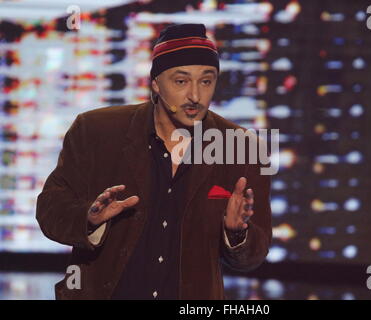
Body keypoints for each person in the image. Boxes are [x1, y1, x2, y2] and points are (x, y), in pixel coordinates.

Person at [36, 23, 272, 300]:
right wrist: (89, 219)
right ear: (156, 83)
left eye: (206, 81)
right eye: (181, 81)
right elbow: (50, 210)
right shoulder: (96, 131)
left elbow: (253, 254)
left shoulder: (242, 147)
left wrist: (236, 234)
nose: (195, 95)